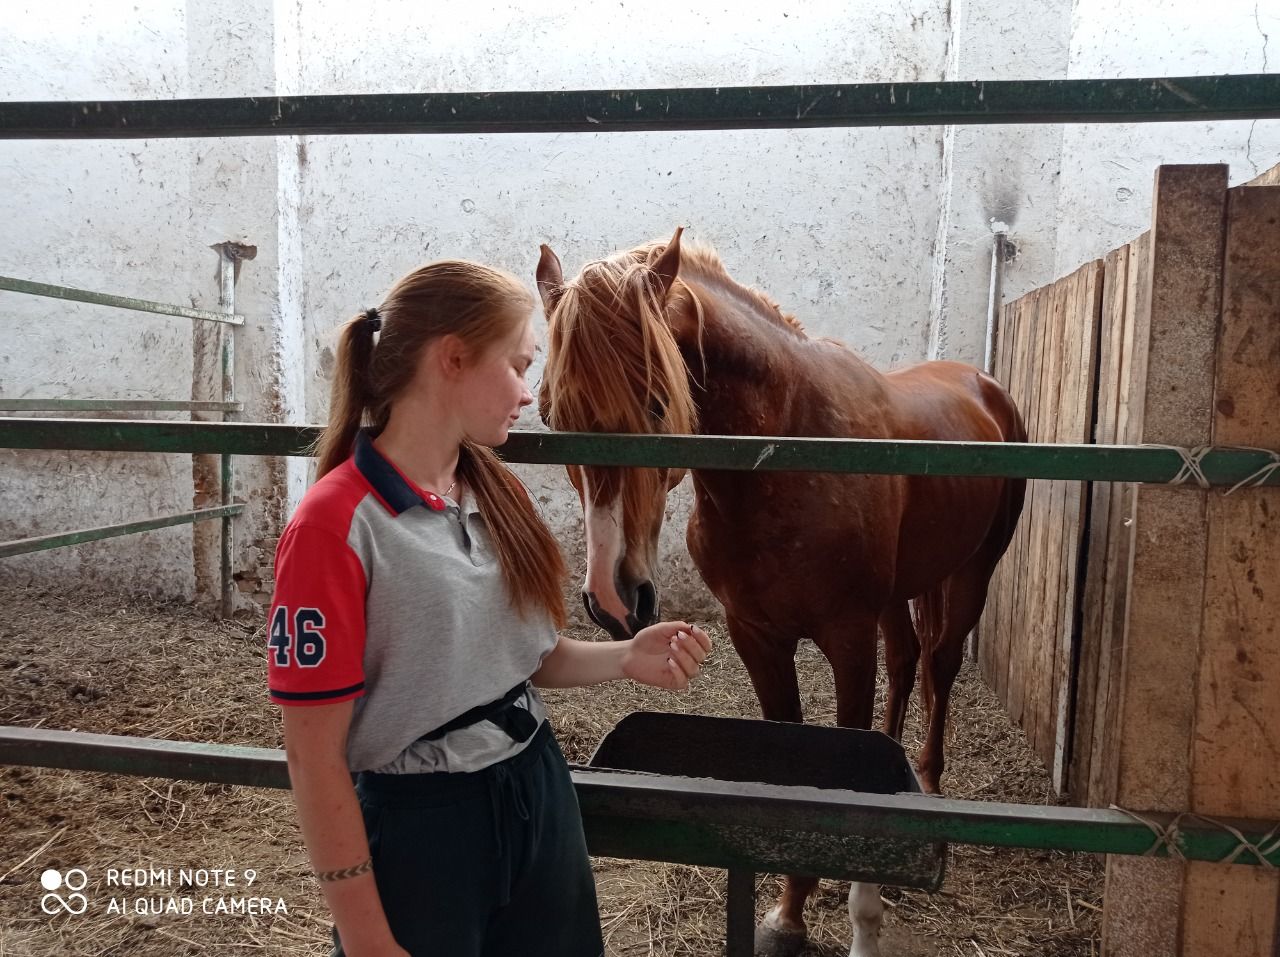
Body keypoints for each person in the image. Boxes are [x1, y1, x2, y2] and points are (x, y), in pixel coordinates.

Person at [266, 259, 712, 957]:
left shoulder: (498, 496)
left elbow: (527, 658)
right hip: (423, 820)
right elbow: (312, 754)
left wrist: (625, 656)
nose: (529, 396)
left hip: (537, 784)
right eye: (519, 365)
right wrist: (365, 936)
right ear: (452, 358)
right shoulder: (334, 526)